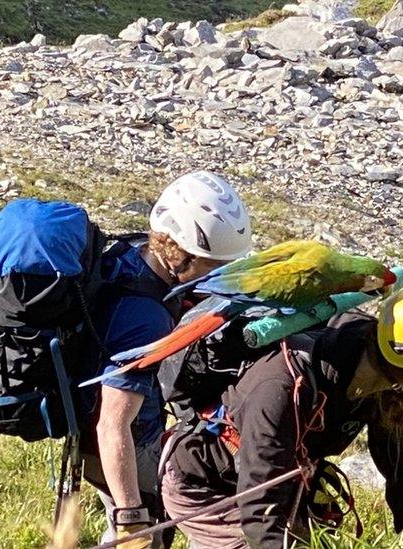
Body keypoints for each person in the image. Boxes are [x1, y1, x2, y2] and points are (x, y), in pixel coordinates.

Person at [160, 281, 403, 548]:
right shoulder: (283, 383)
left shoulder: (385, 385)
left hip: (278, 489)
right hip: (206, 486)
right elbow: (261, 510)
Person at [81, 171, 253, 548]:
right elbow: (112, 424)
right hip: (124, 446)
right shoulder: (145, 317)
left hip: (100, 436)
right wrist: (131, 518)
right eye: (212, 264)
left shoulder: (135, 256)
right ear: (182, 253)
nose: (218, 274)